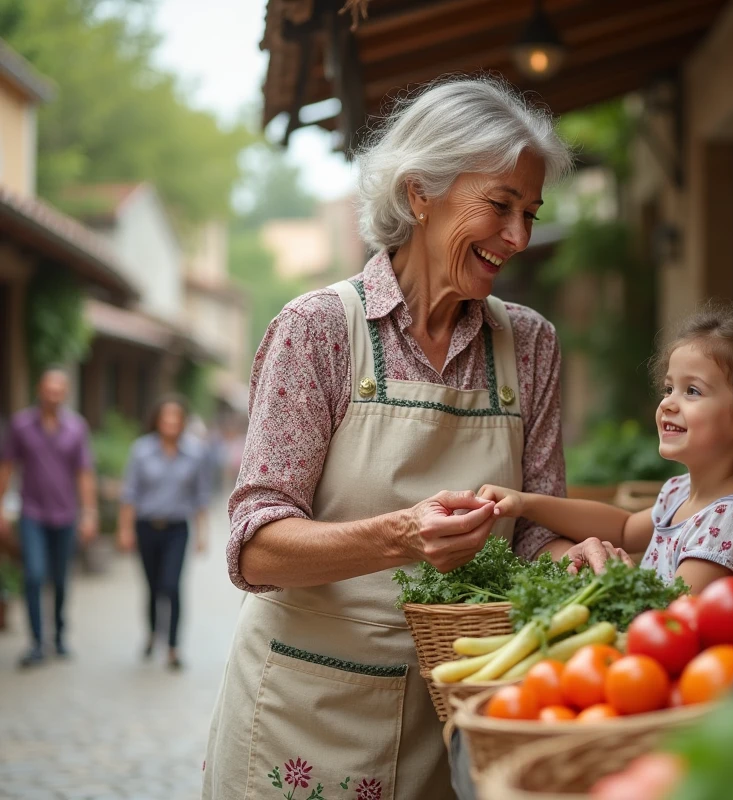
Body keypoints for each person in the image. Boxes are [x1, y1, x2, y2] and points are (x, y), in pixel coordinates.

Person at [203, 77, 625, 800]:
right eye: (499, 205)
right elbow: (256, 548)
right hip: (302, 716)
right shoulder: (319, 331)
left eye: (530, 213)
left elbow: (531, 530)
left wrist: (571, 555)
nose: (519, 238)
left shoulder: (530, 345)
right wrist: (404, 534)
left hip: (455, 712)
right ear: (419, 192)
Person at [483, 306, 733, 594]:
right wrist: (525, 503)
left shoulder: (731, 519)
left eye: (692, 391)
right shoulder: (679, 493)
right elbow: (623, 528)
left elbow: (672, 615)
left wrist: (618, 578)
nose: (667, 403)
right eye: (669, 388)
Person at [0, 367, 98, 667]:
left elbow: (84, 474)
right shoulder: (20, 425)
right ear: (39, 390)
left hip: (66, 513)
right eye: (49, 388)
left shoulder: (76, 428)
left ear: (65, 393)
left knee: (60, 579)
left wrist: (89, 512)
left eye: (59, 389)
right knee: (33, 575)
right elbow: (6, 466)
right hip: (32, 513)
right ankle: (36, 642)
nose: (53, 394)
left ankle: (58, 635)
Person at [117, 395, 211, 670]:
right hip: (146, 527)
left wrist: (202, 535)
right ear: (157, 420)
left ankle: (172, 647)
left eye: (176, 417)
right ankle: (151, 634)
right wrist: (124, 530)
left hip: (177, 530)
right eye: (165, 417)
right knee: (152, 586)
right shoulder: (141, 450)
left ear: (183, 422)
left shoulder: (195, 453)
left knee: (171, 586)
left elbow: (200, 497)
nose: (170, 422)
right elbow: (129, 494)